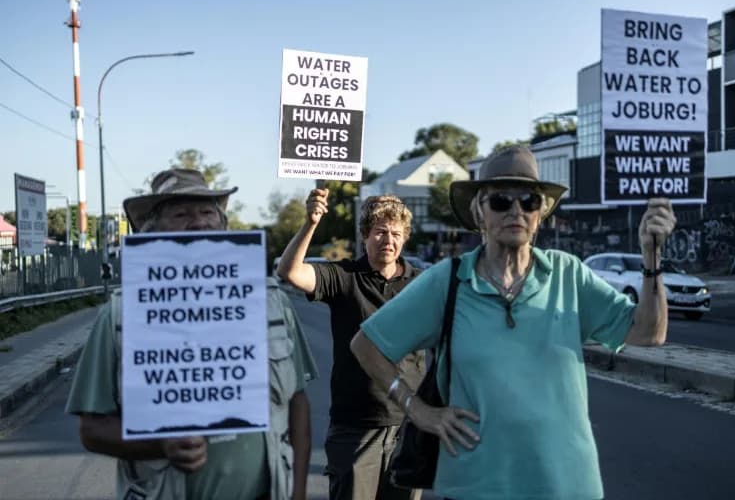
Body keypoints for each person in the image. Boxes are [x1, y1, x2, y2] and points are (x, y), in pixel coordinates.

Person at [350, 145, 677, 500]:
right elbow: (366, 345)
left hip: (566, 486)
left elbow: (649, 332)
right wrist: (417, 410)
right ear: (479, 211)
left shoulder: (567, 274)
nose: (516, 211)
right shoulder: (448, 280)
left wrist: (651, 256)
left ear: (541, 213)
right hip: (475, 486)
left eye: (529, 201)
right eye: (501, 201)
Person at [66, 168, 318, 500]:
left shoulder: (271, 302)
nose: (198, 223)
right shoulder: (122, 313)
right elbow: (92, 429)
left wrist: (297, 493)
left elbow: (297, 404)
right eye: (181, 214)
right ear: (153, 233)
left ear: (223, 225)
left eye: (207, 212)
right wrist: (160, 444)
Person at [277, 189, 423, 500]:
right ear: (364, 235)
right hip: (356, 429)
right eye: (380, 232)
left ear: (405, 238)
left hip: (409, 427)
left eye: (396, 234)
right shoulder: (345, 277)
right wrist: (311, 222)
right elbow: (289, 272)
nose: (388, 240)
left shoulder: (422, 284)